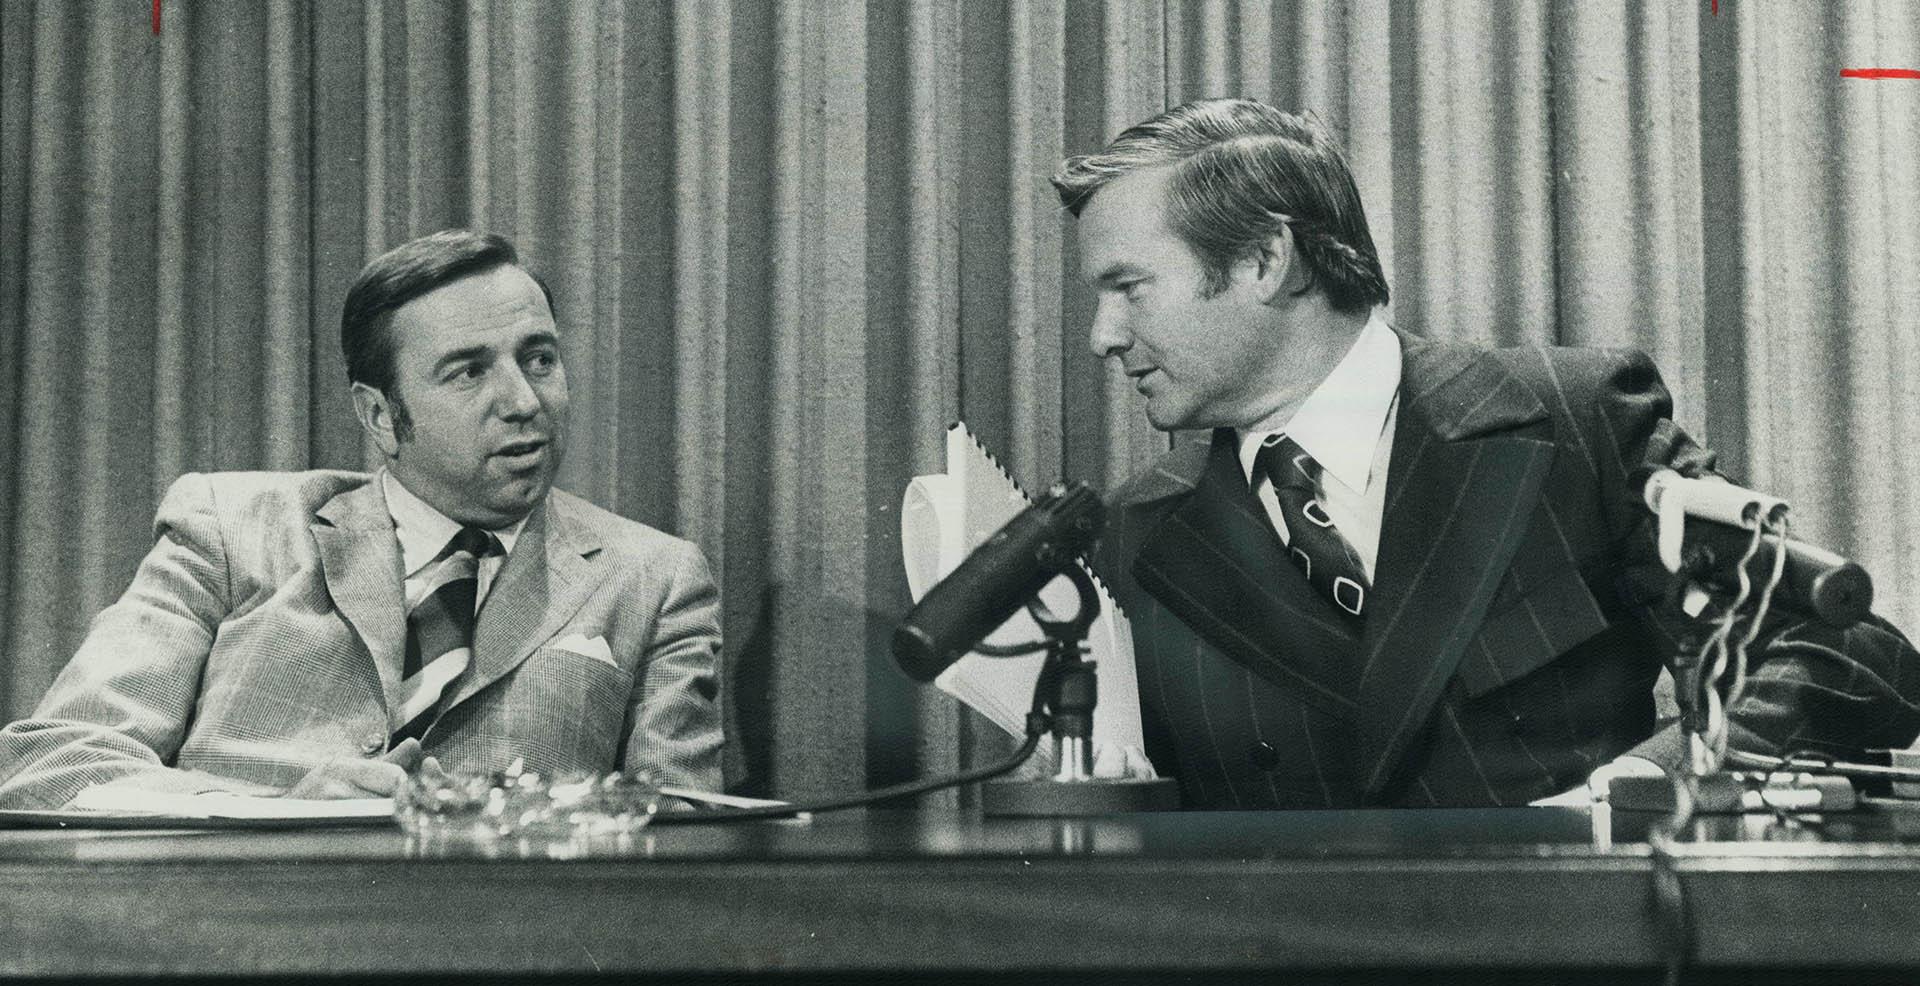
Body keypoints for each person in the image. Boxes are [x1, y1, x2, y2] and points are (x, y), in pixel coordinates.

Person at [1054, 98, 1920, 809]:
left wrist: (1650, 782)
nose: (1103, 337)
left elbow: (1846, 656)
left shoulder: (1570, 422)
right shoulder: (1137, 531)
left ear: (1265, 260)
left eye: (1129, 288)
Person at [0, 230, 723, 809]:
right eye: (468, 371)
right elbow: (58, 760)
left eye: (538, 359)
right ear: (380, 415)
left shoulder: (655, 579)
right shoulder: (231, 527)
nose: (524, 402)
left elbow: (687, 833)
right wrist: (277, 812)